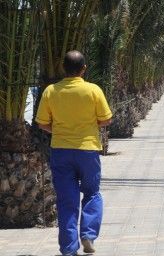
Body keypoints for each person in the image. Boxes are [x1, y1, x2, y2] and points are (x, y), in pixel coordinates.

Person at [35, 50, 112, 256]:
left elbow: (42, 123)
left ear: (63, 69)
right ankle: (88, 234)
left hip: (61, 150)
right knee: (92, 193)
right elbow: (106, 119)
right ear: (83, 69)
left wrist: (59, 130)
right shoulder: (93, 90)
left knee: (66, 200)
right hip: (88, 151)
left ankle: (69, 248)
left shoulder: (51, 91)